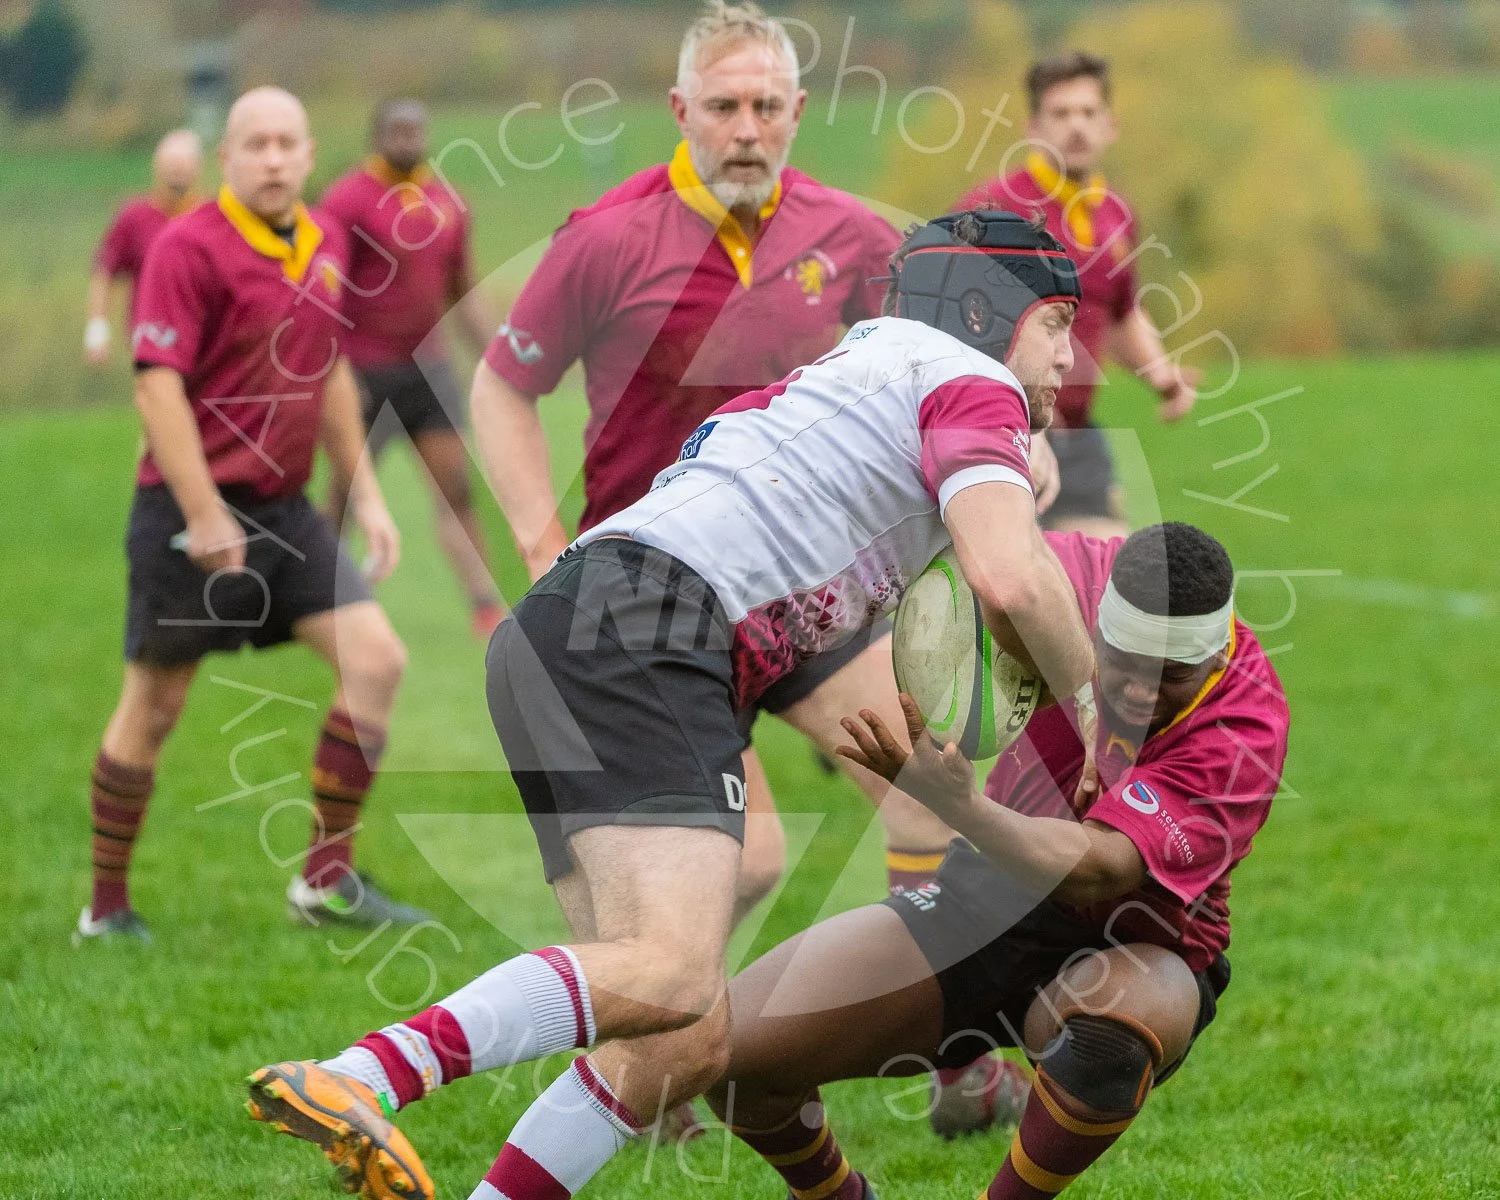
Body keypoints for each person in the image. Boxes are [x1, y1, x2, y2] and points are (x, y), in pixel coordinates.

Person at [245, 209, 1094, 1200]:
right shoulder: (969, 380)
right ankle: (365, 1076)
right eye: (1059, 324)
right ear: (994, 316)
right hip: (649, 629)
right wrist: (1096, 709)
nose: (1071, 359)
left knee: (677, 1034)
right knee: (676, 972)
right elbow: (1012, 582)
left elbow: (927, 584)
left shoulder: (866, 364)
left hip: (570, 625)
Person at [470, 0, 961, 924]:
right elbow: (501, 390)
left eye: (767, 108)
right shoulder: (604, 239)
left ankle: (950, 1057)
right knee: (747, 865)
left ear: (799, 112)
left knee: (933, 792)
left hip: (800, 582)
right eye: (725, 107)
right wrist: (542, 546)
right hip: (652, 595)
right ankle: (710, 1059)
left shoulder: (852, 236)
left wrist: (997, 448)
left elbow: (923, 371)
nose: (747, 131)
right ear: (680, 110)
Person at [707, 521, 1289, 1200]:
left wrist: (963, 807)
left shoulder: (1244, 725)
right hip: (986, 898)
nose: (1137, 691)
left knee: (1112, 1039)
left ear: (1215, 654)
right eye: (1123, 660)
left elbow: (1101, 868)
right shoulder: (1060, 579)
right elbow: (970, 543)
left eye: (1171, 677)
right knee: (731, 1056)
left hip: (1138, 940)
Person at [75, 87, 429, 945]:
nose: (272, 159)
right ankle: (107, 910)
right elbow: (155, 385)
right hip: (185, 511)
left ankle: (325, 882)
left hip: (286, 512)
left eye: (286, 144)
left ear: (309, 155)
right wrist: (202, 514)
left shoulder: (325, 242)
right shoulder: (185, 248)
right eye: (255, 144)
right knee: (155, 707)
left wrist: (369, 494)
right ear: (226, 158)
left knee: (377, 661)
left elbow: (330, 373)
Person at [956, 51, 1198, 539]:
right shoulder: (992, 210)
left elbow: (1123, 313)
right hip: (1000, 433)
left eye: (1089, 113)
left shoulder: (1117, 214)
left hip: (1079, 434)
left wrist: (1164, 377)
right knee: (1006, 600)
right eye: (1061, 114)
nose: (1077, 127)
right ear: (1033, 126)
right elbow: (941, 322)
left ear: (1111, 125)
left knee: (1107, 581)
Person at [320, 100, 507, 639]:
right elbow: (324, 286)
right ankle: (316, 598)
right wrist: (325, 363)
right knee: (345, 492)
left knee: (457, 489)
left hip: (429, 369)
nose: (408, 140)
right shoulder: (347, 199)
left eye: (415, 131)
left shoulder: (448, 201)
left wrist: (499, 357)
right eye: (396, 131)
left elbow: (461, 292)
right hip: (362, 371)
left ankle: (485, 606)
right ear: (376, 135)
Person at [84, 129, 203, 366]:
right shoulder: (135, 217)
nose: (176, 171)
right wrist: (96, 330)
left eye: (183, 163)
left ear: (197, 166)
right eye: (170, 164)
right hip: (151, 335)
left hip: (202, 334)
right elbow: (105, 270)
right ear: (156, 167)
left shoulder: (210, 216)